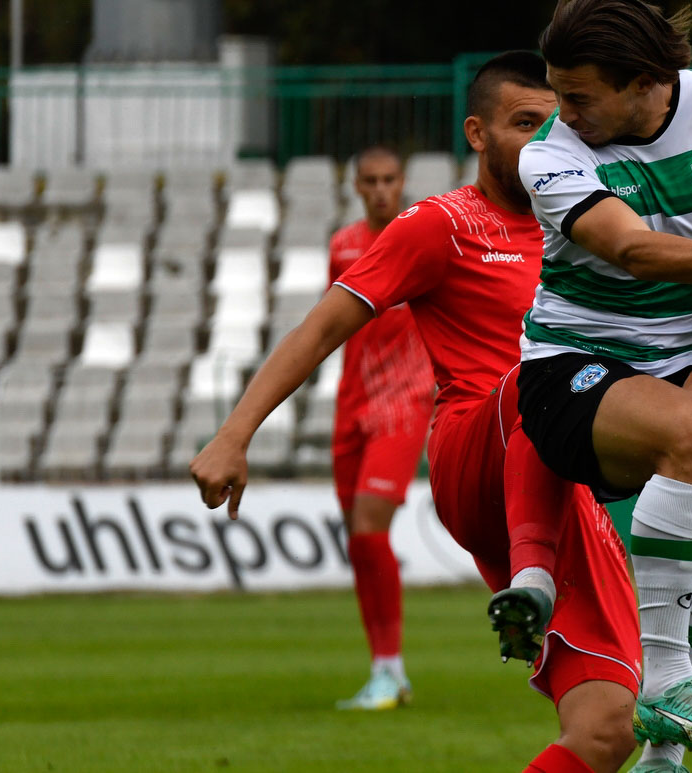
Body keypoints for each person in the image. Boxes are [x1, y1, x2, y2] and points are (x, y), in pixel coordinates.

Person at [191, 52, 643, 773]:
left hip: (558, 482)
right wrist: (234, 433)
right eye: (524, 122)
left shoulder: (588, 227)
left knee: (608, 729)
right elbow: (322, 326)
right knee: (545, 378)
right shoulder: (442, 224)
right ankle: (520, 583)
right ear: (477, 133)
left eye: (554, 124)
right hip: (475, 451)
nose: (543, 140)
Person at [514, 0, 692, 764]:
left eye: (579, 96)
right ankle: (664, 679)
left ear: (643, 82)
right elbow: (630, 248)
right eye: (557, 92)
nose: (564, 112)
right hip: (571, 366)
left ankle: (665, 756)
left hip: (683, 368)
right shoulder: (551, 154)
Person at [326, 146, 438, 710]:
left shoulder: (421, 240)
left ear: (402, 181)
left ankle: (391, 670)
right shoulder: (342, 246)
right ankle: (384, 670)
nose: (379, 190)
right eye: (368, 180)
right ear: (355, 186)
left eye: (388, 179)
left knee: (370, 528)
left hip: (405, 403)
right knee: (358, 538)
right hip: (352, 402)